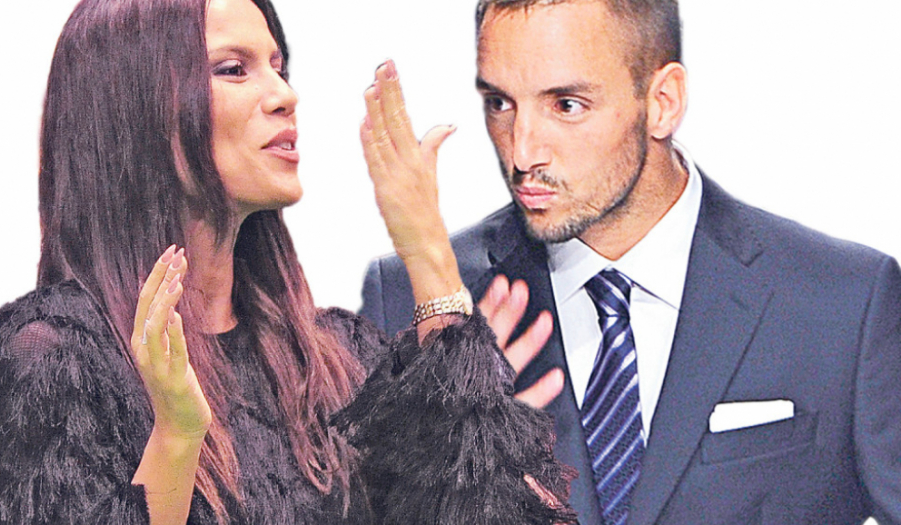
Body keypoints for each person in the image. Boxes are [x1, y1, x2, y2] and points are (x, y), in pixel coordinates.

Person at [0, 0, 577, 523]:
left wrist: (427, 253)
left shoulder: (336, 358)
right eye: (233, 69)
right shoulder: (50, 359)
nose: (285, 95)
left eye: (277, 67)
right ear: (135, 108)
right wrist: (177, 439)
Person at [359, 1, 901, 524]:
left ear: (663, 102)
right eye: (501, 103)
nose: (522, 153)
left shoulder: (844, 305)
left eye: (566, 105)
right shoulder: (413, 302)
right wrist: (442, 481)